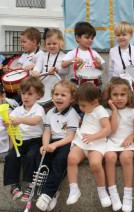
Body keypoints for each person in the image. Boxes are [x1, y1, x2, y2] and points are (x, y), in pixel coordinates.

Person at [36, 80, 80, 211]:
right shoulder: (50, 113)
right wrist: (45, 146)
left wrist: (54, 145)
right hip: (53, 142)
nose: (58, 97)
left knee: (60, 160)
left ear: (72, 99)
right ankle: (51, 192)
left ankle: (47, 193)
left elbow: (70, 137)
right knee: (42, 159)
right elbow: (47, 131)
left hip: (66, 142)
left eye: (63, 95)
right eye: (56, 94)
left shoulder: (73, 114)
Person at [66, 82, 111, 208]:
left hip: (96, 143)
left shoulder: (100, 111)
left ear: (95, 102)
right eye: (80, 105)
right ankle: (74, 189)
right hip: (82, 141)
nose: (81, 108)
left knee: (95, 163)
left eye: (83, 105)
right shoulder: (88, 109)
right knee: (71, 158)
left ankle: (102, 191)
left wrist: (93, 137)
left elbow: (107, 129)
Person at [3, 76, 45, 202]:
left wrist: (21, 120)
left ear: (38, 95)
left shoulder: (39, 108)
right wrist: (8, 123)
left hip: (35, 140)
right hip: (20, 141)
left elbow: (36, 121)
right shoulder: (18, 110)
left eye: (30, 94)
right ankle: (14, 185)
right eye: (23, 93)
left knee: (31, 156)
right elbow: (11, 120)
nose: (25, 97)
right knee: (10, 156)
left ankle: (30, 185)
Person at [102, 77, 134, 212]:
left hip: (128, 141)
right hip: (112, 140)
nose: (119, 98)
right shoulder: (107, 111)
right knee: (110, 157)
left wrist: (131, 136)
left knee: (126, 158)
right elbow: (112, 130)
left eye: (122, 95)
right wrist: (114, 111)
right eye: (115, 95)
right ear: (109, 96)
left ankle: (128, 195)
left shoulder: (133, 110)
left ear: (128, 95)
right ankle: (113, 192)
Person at [0, 84, 19, 154]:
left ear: (3, 96)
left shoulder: (8, 112)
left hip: (4, 150)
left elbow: (13, 132)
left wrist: (11, 151)